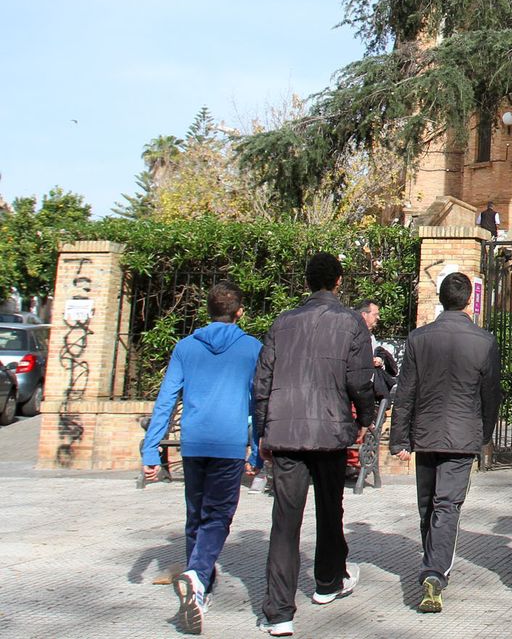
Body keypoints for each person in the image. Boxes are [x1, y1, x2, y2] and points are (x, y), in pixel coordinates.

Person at [254, 252, 377, 636]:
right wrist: (366, 419)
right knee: (330, 507)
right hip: (330, 429)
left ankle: (278, 612)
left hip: (287, 432)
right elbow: (360, 380)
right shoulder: (350, 323)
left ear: (307, 281)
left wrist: (262, 431)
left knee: (285, 522)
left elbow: (262, 382)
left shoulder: (282, 322)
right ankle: (327, 581)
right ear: (338, 281)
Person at [140, 282, 262, 635]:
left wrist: (150, 450)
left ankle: (201, 587)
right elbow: (259, 402)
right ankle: (197, 575)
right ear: (239, 312)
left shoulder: (185, 347)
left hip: (193, 444)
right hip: (228, 444)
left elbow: (166, 400)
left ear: (207, 311)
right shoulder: (251, 348)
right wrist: (257, 449)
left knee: (195, 516)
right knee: (219, 516)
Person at [387, 271, 501, 614]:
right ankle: (435, 571)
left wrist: (399, 438)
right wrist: (483, 435)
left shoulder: (420, 338)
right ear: (468, 300)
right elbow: (491, 395)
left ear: (441, 298)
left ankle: (432, 564)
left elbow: (405, 391)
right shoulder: (483, 341)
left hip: (427, 431)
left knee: (429, 504)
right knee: (446, 504)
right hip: (462, 433)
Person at [353, 298, 398, 400]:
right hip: (356, 390)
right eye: (375, 314)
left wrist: (379, 361)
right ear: (364, 315)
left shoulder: (370, 336)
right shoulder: (353, 334)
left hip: (369, 389)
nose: (378, 317)